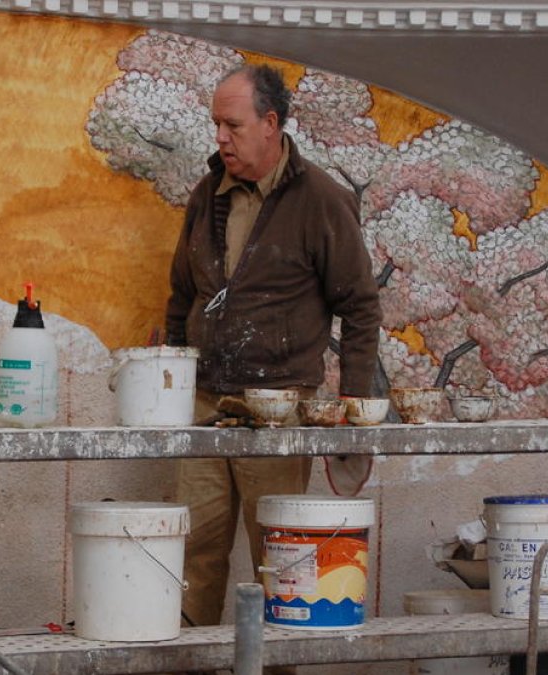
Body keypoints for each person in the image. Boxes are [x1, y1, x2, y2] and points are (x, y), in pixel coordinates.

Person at [165, 64, 382, 671]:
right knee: (194, 551)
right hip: (205, 404)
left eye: (232, 124)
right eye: (215, 124)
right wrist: (173, 381)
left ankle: (275, 668)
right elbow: (181, 294)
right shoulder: (206, 194)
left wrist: (351, 412)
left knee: (281, 559)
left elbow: (361, 308)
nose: (221, 137)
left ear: (271, 123)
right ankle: (191, 665)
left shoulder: (321, 200)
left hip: (281, 408)